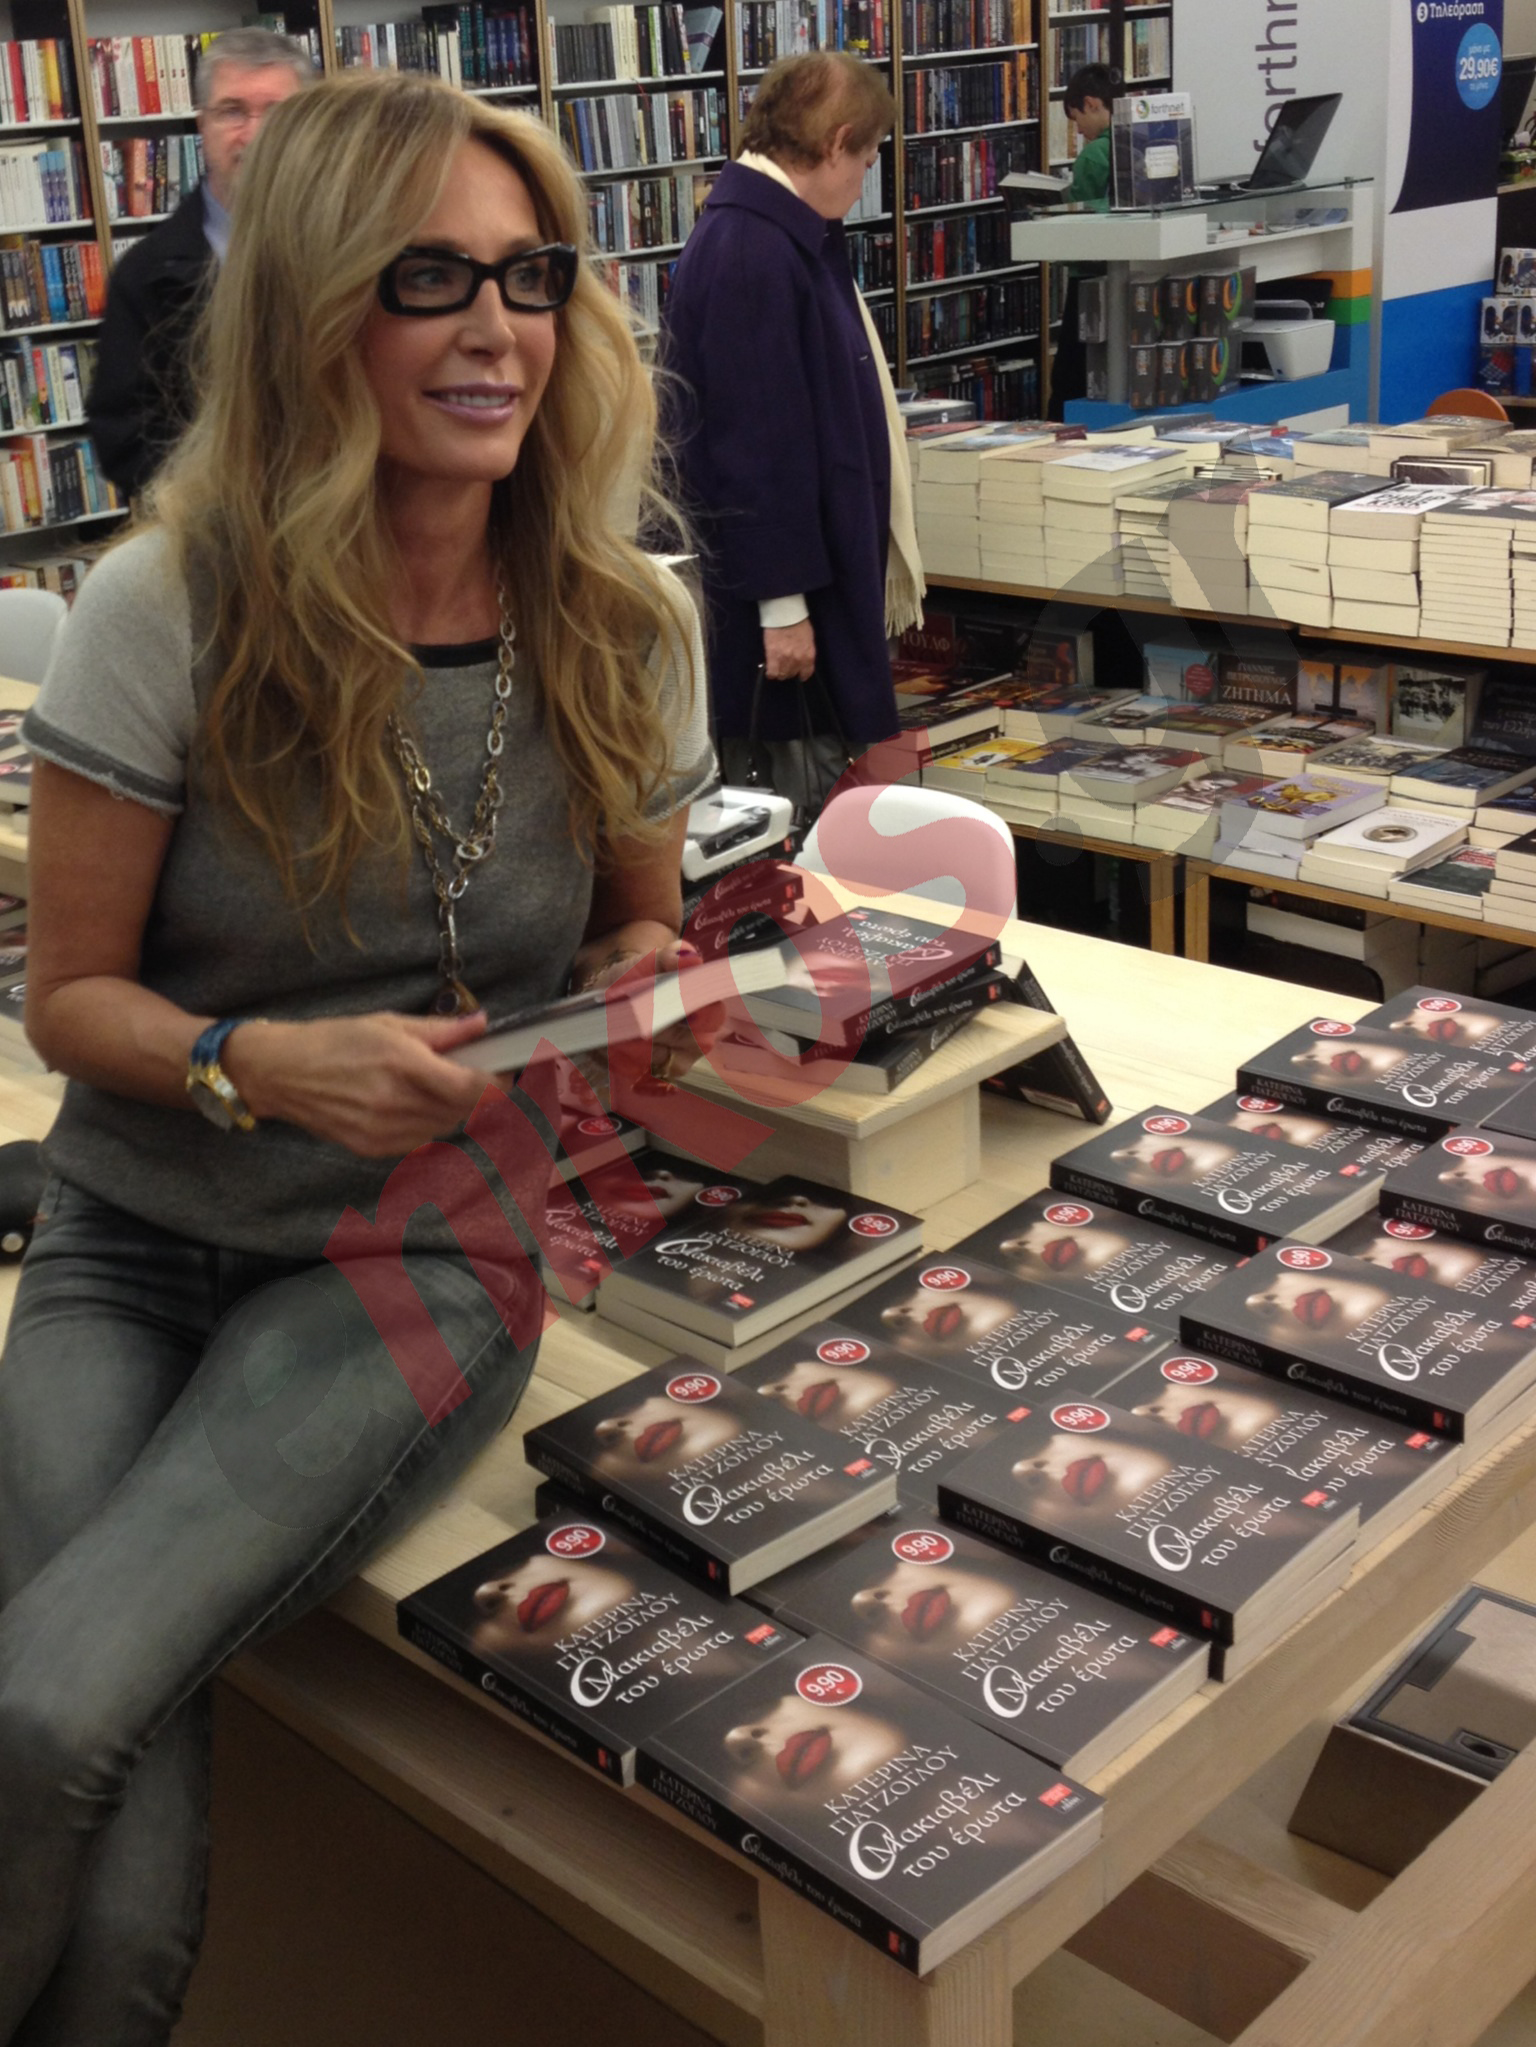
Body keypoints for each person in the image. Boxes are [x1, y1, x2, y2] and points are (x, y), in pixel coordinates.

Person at [0, 70, 715, 2044]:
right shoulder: (165, 605)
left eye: (530, 277)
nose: (497, 331)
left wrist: (625, 994)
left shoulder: (619, 620)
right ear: (317, 309)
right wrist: (257, 1062)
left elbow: (639, 926)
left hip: (415, 1255)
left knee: (48, 1705)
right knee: (80, 1796)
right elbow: (70, 1000)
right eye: (429, 279)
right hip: (132, 1238)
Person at [660, 50, 923, 809]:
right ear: (836, 142)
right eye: (868, 157)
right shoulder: (753, 251)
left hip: (802, 587)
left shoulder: (778, 234)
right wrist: (783, 611)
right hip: (774, 613)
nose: (866, 177)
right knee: (795, 809)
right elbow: (753, 449)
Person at [87, 26, 313, 498]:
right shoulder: (144, 276)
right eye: (232, 111)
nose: (254, 134)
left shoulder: (356, 247)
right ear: (202, 126)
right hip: (212, 525)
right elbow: (125, 441)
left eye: (277, 113)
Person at [1049, 62, 1119, 420]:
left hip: (1088, 279)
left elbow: (1081, 225)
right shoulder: (1138, 141)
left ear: (1091, 104)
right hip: (1125, 274)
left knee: (1070, 376)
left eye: (1077, 119)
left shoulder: (1093, 155)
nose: (1078, 131)